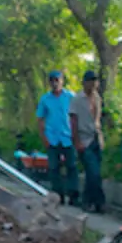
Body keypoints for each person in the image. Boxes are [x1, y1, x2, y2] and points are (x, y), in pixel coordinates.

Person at [36, 70, 78, 205]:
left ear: (62, 81)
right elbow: (40, 119)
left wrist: (76, 134)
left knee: (71, 167)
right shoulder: (45, 99)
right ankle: (58, 196)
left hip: (68, 137)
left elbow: (76, 116)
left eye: (57, 80)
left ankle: (73, 196)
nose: (55, 83)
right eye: (52, 80)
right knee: (54, 168)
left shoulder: (70, 96)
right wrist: (44, 138)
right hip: (52, 138)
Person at [69, 71, 105, 212]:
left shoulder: (97, 98)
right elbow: (73, 121)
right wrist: (76, 141)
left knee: (95, 173)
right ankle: (98, 201)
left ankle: (91, 201)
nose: (93, 84)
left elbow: (97, 118)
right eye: (90, 81)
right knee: (93, 171)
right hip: (84, 138)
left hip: (96, 137)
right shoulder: (77, 99)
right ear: (84, 82)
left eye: (95, 81)